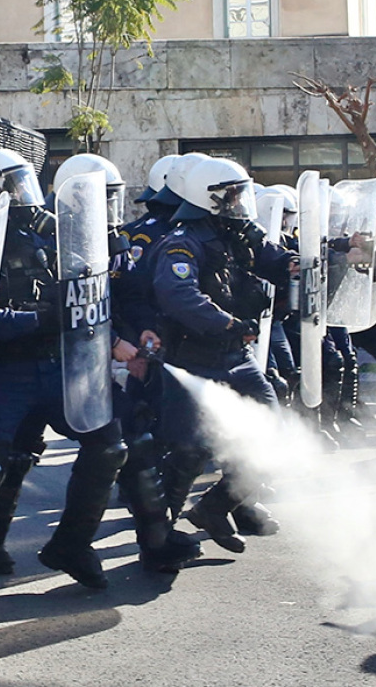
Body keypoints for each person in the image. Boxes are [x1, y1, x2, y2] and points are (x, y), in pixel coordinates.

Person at [144, 157, 295, 553]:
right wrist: (226, 323)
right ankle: (159, 542)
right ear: (209, 198)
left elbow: (274, 258)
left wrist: (301, 262)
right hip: (194, 359)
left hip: (237, 357)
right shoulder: (182, 241)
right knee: (188, 453)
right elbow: (178, 294)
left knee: (272, 436)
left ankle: (215, 508)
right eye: (232, 194)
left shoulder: (239, 234)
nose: (239, 201)